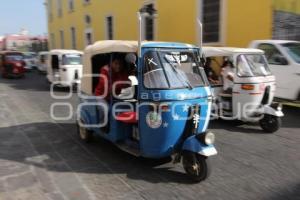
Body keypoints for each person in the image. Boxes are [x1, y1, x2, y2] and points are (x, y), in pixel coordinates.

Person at [94, 55, 130, 127]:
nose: (118, 66)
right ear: (111, 63)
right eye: (116, 63)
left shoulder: (122, 71)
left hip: (114, 95)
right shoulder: (105, 70)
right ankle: (103, 125)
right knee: (105, 108)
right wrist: (119, 85)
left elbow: (126, 82)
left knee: (127, 106)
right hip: (102, 95)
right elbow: (105, 84)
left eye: (120, 64)